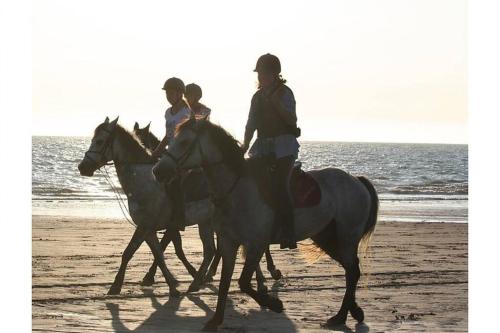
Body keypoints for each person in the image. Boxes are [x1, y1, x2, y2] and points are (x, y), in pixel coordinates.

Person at [241, 53, 300, 250]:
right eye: (260, 73)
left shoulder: (285, 93)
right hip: (262, 147)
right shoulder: (256, 97)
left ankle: (288, 231)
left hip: (284, 146)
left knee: (279, 184)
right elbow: (251, 124)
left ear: (275, 74)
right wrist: (244, 144)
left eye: (266, 73)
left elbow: (291, 120)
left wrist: (275, 103)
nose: (262, 77)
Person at [152, 77, 192, 231]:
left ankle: (179, 218)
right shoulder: (168, 113)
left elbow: (186, 138)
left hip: (182, 154)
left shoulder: (186, 112)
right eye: (166, 93)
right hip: (170, 153)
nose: (168, 96)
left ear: (180, 93)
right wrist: (156, 152)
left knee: (174, 182)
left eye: (171, 92)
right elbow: (168, 135)